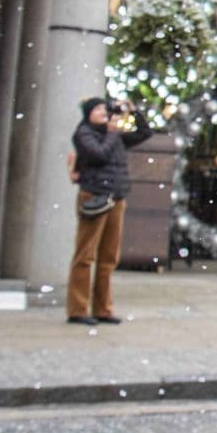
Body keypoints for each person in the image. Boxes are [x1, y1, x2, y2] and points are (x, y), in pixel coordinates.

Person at [67, 95, 153, 325]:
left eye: (105, 109)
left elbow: (144, 134)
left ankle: (103, 309)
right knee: (85, 255)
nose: (104, 113)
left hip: (116, 197)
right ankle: (77, 309)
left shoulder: (112, 135)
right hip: (94, 196)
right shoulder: (84, 133)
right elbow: (98, 154)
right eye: (98, 110)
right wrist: (113, 131)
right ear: (88, 113)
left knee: (108, 257)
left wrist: (134, 112)